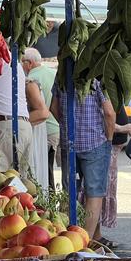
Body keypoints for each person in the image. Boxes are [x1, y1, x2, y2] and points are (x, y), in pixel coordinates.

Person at [50, 79, 115, 240]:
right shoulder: (96, 75)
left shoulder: (64, 73)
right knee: (94, 193)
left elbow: (53, 107)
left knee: (69, 192)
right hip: (94, 142)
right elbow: (109, 112)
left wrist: (66, 126)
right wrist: (109, 138)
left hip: (69, 143)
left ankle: (66, 237)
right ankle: (85, 241)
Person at [95, 105, 131, 249]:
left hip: (112, 146)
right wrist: (121, 128)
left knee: (104, 191)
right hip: (108, 145)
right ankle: (95, 235)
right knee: (101, 191)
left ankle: (96, 234)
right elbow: (104, 115)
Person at [22, 48, 59, 190]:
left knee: (36, 168)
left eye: (22, 62)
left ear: (29, 63)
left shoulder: (30, 79)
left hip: (40, 129)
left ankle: (44, 199)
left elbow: (43, 111)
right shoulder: (52, 73)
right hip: (54, 128)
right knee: (47, 168)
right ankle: (49, 198)